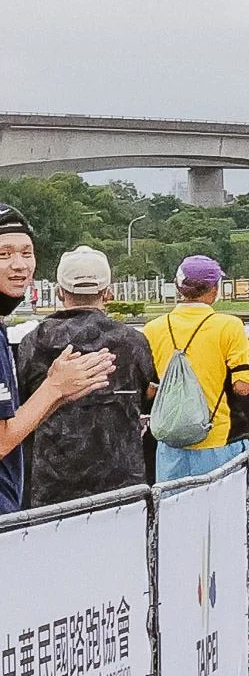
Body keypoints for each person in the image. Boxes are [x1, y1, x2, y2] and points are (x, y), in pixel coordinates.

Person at [16, 246, 157, 508]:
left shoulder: (33, 342)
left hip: (52, 483)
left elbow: (20, 404)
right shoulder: (133, 341)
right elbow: (147, 394)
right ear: (108, 292)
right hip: (121, 482)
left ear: (59, 292)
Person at [0, 206, 117, 515]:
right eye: (4, 254)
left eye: (27, 253)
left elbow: (13, 423)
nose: (19, 265)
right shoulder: (134, 339)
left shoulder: (22, 336)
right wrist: (53, 388)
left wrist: (59, 394)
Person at [143, 255, 249, 483]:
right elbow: (242, 387)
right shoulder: (229, 326)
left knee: (172, 503)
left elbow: (149, 390)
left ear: (178, 287)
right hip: (218, 438)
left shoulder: (153, 329)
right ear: (214, 289)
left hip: (170, 442)